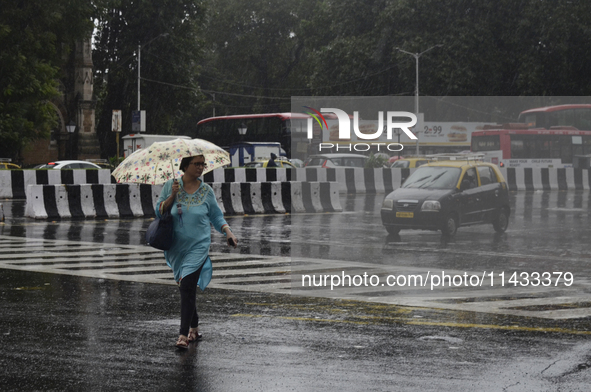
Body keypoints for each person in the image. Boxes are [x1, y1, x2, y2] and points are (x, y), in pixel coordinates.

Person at [155, 155, 238, 349]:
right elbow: (159, 211)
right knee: (187, 288)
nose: (200, 167)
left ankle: (183, 335)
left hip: (198, 246)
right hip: (176, 248)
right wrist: (172, 196)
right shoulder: (171, 185)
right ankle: (194, 327)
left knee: (186, 286)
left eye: (202, 164)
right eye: (196, 164)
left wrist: (228, 232)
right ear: (185, 166)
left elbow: (216, 216)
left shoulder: (206, 191)